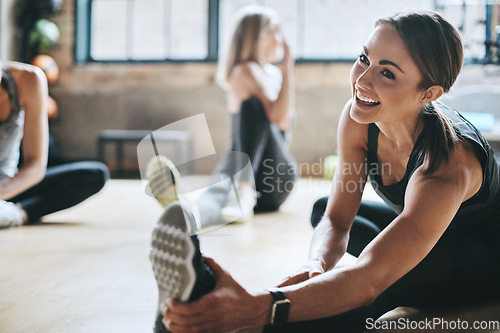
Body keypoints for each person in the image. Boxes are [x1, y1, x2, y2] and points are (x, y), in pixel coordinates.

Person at [154, 10, 500, 333]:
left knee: (377, 286)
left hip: (485, 253)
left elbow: (368, 279)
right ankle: (216, 306)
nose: (362, 80)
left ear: (429, 93)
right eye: (364, 59)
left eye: (387, 73)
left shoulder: (446, 168)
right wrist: (316, 269)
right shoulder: (359, 119)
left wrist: (257, 307)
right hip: (432, 228)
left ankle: (228, 318)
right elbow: (337, 220)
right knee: (323, 213)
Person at [0, 60, 109, 229]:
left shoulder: (30, 79)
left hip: (10, 185)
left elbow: (35, 165)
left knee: (95, 174)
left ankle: (20, 214)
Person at [216, 4, 297, 214]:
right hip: (257, 176)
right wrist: (287, 65)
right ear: (259, 37)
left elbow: (282, 123)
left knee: (253, 106)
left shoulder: (271, 74)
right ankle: (237, 191)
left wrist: (286, 68)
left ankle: (239, 191)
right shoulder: (245, 71)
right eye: (275, 32)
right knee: (252, 106)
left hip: (272, 178)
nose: (280, 40)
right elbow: (280, 119)